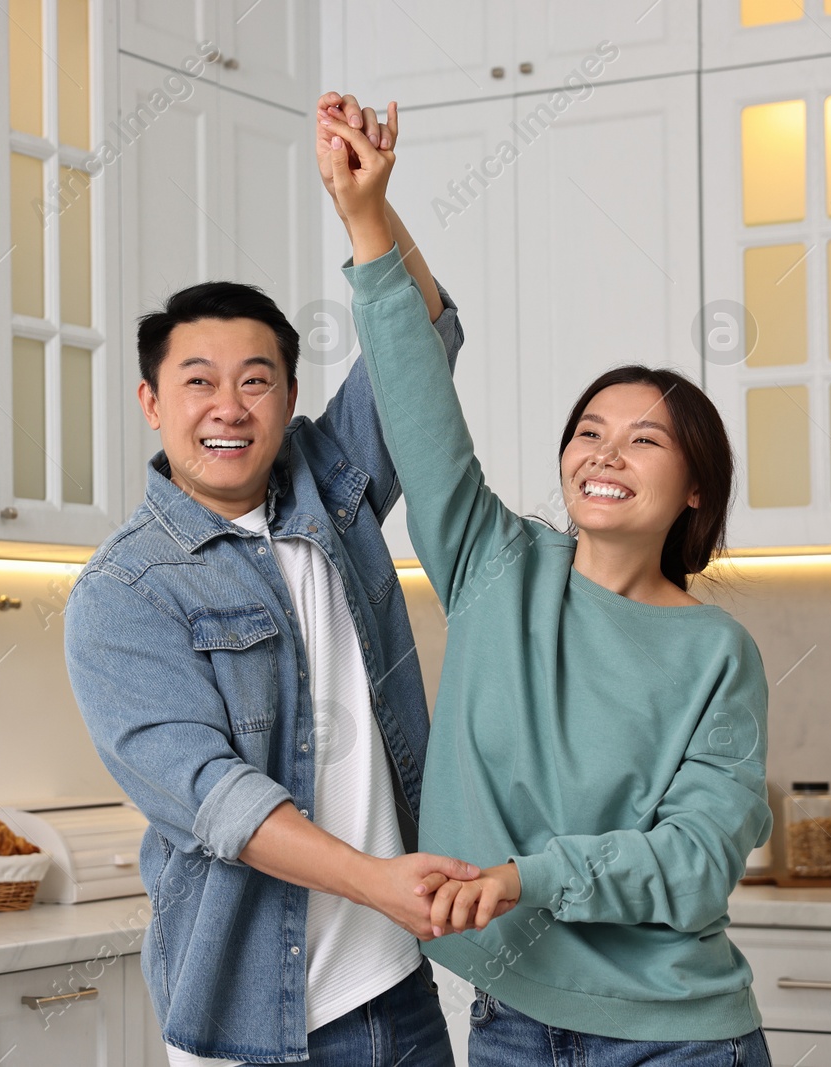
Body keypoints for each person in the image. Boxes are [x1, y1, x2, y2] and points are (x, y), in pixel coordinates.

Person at [318, 94, 774, 1064]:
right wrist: (366, 215)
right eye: (589, 431)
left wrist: (529, 876)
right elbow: (415, 395)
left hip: (677, 1038)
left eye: (644, 439)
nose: (604, 453)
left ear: (694, 488)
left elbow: (696, 864)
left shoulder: (716, 654)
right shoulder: (494, 565)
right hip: (509, 1023)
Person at [64, 99, 478, 1065]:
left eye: (256, 380)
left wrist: (365, 207)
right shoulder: (124, 591)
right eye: (198, 381)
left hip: (392, 991)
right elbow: (216, 798)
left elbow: (422, 352)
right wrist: (376, 880)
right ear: (151, 401)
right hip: (251, 1015)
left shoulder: (328, 488)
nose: (227, 407)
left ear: (290, 398)